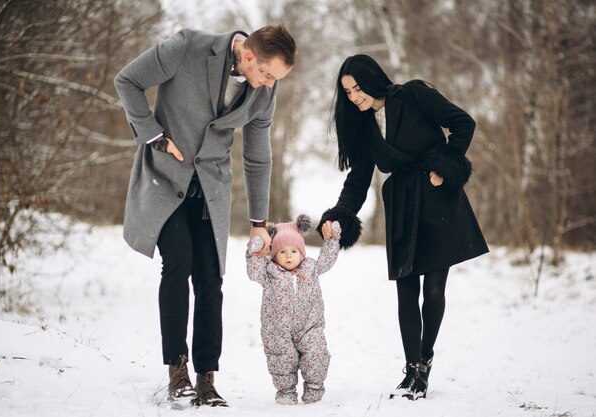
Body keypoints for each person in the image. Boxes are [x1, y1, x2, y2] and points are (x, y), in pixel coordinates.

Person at [113, 25, 296, 407]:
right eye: (266, 74)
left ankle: (206, 379)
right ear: (248, 56)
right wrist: (151, 134)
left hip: (210, 191)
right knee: (178, 263)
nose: (266, 85)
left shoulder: (264, 89)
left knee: (211, 280)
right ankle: (177, 371)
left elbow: (257, 153)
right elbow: (127, 80)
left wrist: (259, 221)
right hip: (165, 180)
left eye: (274, 79)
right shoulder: (187, 47)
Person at [318, 54, 489, 400]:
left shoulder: (413, 95)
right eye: (347, 92)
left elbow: (463, 123)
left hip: (436, 197)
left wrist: (445, 163)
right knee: (406, 292)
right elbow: (359, 179)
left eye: (355, 89)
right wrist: (339, 214)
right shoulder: (364, 125)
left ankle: (425, 362)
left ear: (370, 79)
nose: (353, 97)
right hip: (400, 204)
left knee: (435, 291)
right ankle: (411, 370)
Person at [246, 215, 341, 405]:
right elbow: (254, 270)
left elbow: (327, 259)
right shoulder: (269, 273)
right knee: (282, 358)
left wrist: (332, 239)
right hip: (277, 330)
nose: (288, 256)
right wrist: (255, 250)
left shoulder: (311, 268)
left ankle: (314, 386)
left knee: (316, 353)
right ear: (274, 254)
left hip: (309, 326)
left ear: (302, 252)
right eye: (282, 251)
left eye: (293, 251)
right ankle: (286, 391)